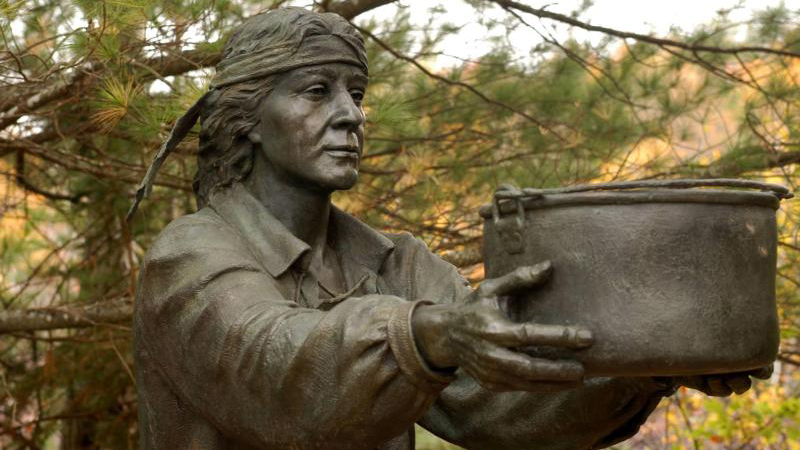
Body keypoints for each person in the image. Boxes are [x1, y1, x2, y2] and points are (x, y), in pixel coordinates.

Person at [131, 7, 769, 450]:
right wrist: (428, 334)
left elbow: (501, 407)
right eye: (317, 91)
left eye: (356, 92)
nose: (351, 115)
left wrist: (643, 365)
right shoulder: (189, 257)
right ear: (246, 119)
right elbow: (274, 373)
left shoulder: (394, 264)